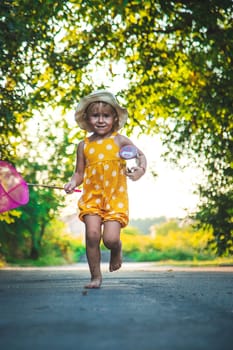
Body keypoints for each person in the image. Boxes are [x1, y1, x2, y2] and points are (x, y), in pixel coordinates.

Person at [64, 90, 147, 289]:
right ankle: (95, 277)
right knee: (92, 235)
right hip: (92, 198)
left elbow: (140, 156)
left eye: (106, 115)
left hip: (115, 198)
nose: (101, 120)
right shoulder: (83, 145)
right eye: (95, 115)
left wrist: (139, 170)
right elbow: (79, 173)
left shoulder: (120, 140)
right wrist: (72, 183)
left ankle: (116, 249)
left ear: (114, 118)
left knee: (110, 239)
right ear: (87, 118)